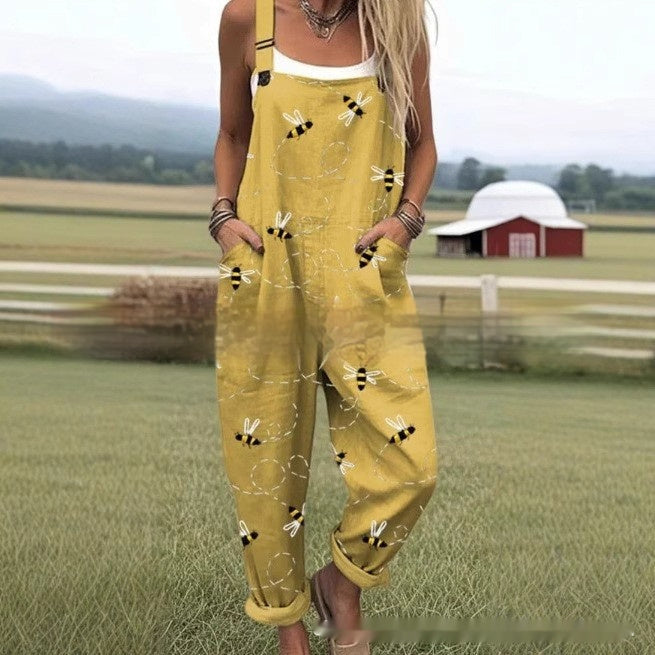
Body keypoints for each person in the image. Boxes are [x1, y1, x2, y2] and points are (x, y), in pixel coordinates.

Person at [211, 0, 438, 653]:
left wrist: (406, 222)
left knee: (411, 466)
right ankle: (290, 629)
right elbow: (232, 134)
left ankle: (340, 582)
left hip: (363, 275)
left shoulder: (396, 23)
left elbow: (422, 143)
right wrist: (223, 219)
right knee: (266, 467)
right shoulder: (247, 18)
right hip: (266, 271)